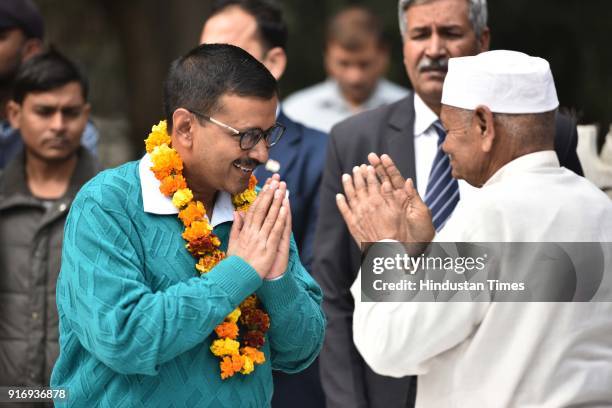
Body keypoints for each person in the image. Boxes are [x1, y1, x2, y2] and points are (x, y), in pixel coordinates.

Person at [312, 0, 584, 407]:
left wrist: (384, 252)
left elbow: (563, 269)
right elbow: (331, 290)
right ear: (402, 44)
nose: (435, 49)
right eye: (421, 34)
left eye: (451, 33)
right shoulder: (354, 140)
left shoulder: (532, 151)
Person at [50, 44, 325, 407]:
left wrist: (276, 279)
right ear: (184, 128)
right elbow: (125, 337)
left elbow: (300, 351)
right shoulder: (107, 204)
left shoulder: (257, 208)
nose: (262, 154)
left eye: (268, 134)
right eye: (246, 135)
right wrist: (239, 272)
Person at [200, 1, 327, 406]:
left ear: (274, 61)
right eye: (204, 57)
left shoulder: (319, 153)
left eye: (231, 56)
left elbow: (318, 285)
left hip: (284, 377)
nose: (211, 73)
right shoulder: (177, 155)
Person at [0, 48, 98, 404]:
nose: (58, 125)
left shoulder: (112, 202)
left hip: (82, 397)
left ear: (86, 116)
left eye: (70, 113)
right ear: (14, 114)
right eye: (44, 112)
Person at [0, 0, 98, 169]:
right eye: (44, 112)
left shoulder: (74, 135)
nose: (58, 125)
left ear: (31, 49)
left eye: (1, 37)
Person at [283, 6, 408, 133]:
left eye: (364, 64)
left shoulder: (412, 110)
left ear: (384, 55)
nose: (354, 77)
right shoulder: (296, 113)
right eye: (343, 64)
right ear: (327, 57)